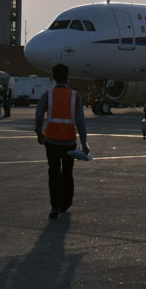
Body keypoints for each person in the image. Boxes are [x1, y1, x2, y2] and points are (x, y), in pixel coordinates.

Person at [35, 64, 89, 219]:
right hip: (69, 142)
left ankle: (55, 207)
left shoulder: (48, 94)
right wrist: (84, 142)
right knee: (67, 173)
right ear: (68, 77)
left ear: (53, 77)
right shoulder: (75, 96)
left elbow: (39, 116)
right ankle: (66, 203)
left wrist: (39, 133)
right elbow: (80, 121)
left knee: (53, 173)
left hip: (51, 141)